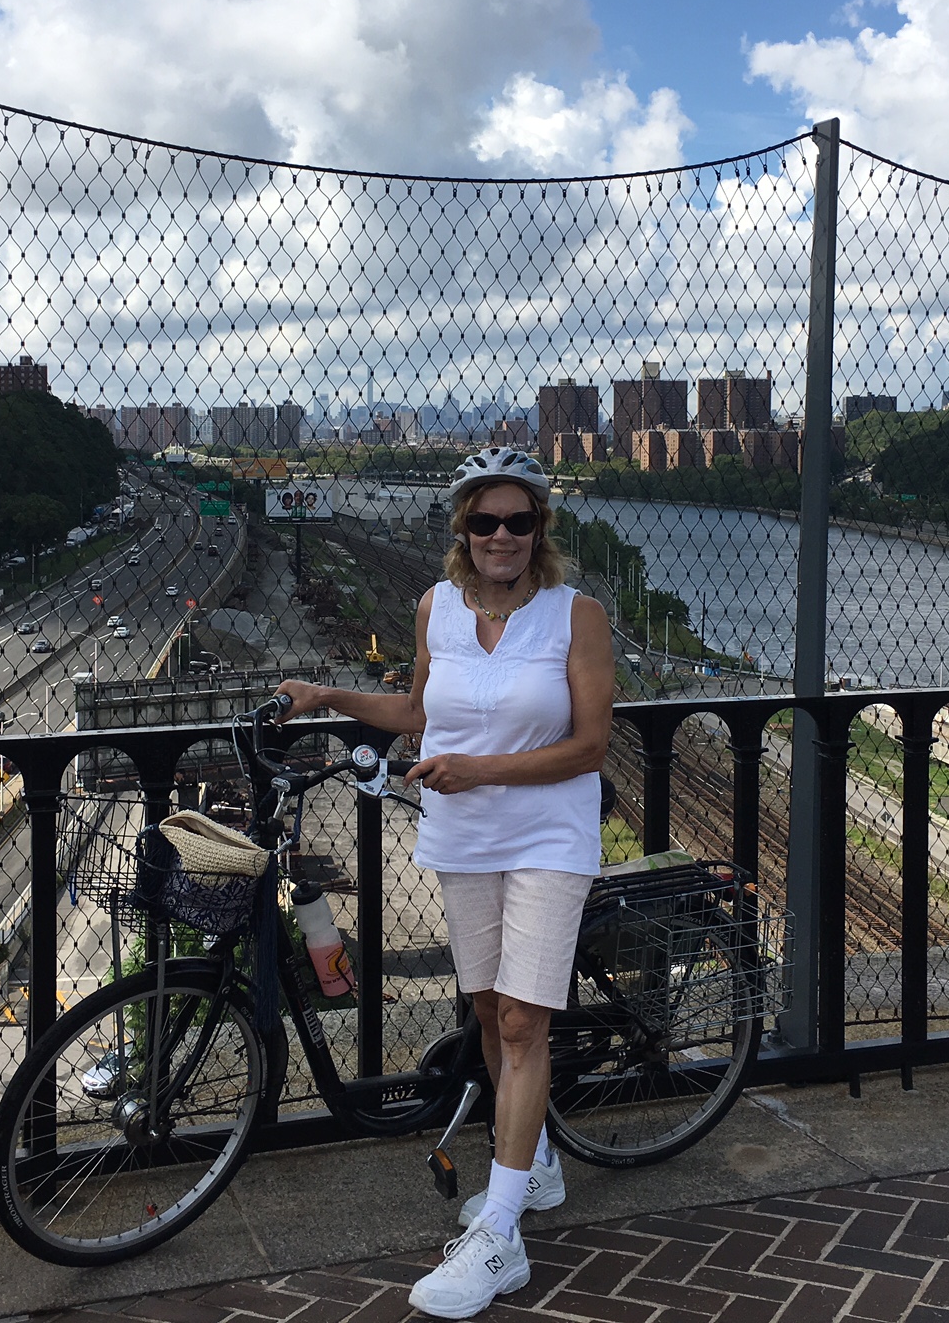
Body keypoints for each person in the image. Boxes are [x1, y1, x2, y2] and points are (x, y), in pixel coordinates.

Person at [277, 445, 614, 1319]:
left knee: (521, 1021)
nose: (502, 535)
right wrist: (329, 694)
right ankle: (532, 1164)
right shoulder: (435, 608)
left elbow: (589, 747)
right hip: (463, 838)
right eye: (485, 520)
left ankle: (499, 1236)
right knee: (490, 1012)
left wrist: (484, 772)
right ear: (462, 529)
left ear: (541, 530)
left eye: (520, 520)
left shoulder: (576, 616)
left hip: (547, 835)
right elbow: (419, 715)